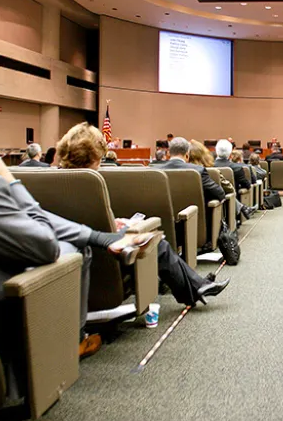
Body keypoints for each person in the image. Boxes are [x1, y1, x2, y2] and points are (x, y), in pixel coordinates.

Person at [0, 88, 170, 359]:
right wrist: (10, 183)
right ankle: (72, 342)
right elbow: (44, 246)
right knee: (72, 250)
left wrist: (95, 235)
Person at [57, 125, 230, 308]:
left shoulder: (54, 179)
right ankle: (195, 287)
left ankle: (196, 287)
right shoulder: (90, 182)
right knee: (156, 241)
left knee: (153, 239)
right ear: (92, 156)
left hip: (70, 247)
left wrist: (113, 222)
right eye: (99, 159)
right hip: (99, 250)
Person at [162, 137, 224, 204]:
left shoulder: (154, 171)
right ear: (187, 155)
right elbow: (219, 193)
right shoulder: (198, 171)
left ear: (168, 153)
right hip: (194, 213)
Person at [214, 139, 257, 220]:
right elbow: (247, 185)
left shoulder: (209, 167)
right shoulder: (237, 168)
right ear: (230, 154)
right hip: (233, 199)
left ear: (216, 152)